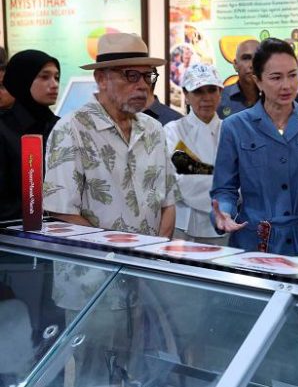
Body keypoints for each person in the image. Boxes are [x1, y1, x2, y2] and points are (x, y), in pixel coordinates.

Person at [211, 38, 298, 261]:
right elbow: (225, 188)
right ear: (258, 81)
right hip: (253, 244)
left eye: (292, 75)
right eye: (276, 77)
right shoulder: (235, 126)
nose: (287, 85)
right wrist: (223, 213)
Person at [43, 32, 177, 236]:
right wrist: (118, 257)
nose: (143, 85)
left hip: (148, 263)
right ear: (101, 79)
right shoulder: (72, 129)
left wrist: (155, 252)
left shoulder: (153, 129)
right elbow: (62, 212)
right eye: (131, 75)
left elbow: (168, 202)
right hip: (95, 264)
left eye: (148, 75)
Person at [165, 63, 228, 245]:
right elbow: (179, 182)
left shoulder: (231, 130)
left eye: (211, 90)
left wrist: (197, 172)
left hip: (225, 224)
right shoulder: (173, 130)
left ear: (220, 93)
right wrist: (221, 179)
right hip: (182, 227)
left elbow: (242, 183)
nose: (206, 98)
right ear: (186, 95)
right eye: (198, 91)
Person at [0, 50, 60, 221]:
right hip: (13, 234)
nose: (54, 84)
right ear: (22, 80)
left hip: (63, 228)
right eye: (44, 77)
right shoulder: (4, 129)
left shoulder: (61, 126)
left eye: (56, 77)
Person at [217, 39, 260, 119]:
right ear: (235, 65)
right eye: (246, 58)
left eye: (258, 58)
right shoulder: (219, 98)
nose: (252, 64)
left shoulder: (274, 97)